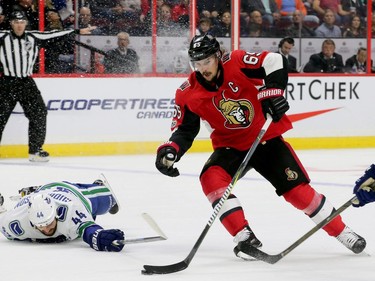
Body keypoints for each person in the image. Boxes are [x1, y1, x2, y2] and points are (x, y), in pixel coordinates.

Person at [155, 34, 366, 260]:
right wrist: (171, 150)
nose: (202, 68)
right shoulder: (187, 92)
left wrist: (273, 91)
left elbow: (274, 60)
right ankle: (243, 236)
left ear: (218, 56)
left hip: (265, 139)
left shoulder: (236, 61)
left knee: (298, 194)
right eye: (197, 64)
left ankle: (343, 232)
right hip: (230, 147)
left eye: (206, 61)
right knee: (211, 178)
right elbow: (185, 130)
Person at [0, 11, 95, 162]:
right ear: (11, 23)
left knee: (39, 113)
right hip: (6, 83)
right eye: (16, 22)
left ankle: (35, 150)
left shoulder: (34, 36)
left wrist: (77, 31)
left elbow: (55, 34)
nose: (19, 25)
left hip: (26, 82)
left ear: (25, 24)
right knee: (0, 117)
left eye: (22, 22)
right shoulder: (2, 36)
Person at [0, 178, 124, 251]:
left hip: (70, 193)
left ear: (56, 214)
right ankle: (35, 191)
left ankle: (97, 186)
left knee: (109, 200)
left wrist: (100, 236)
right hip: (39, 193)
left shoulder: (70, 210)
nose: (47, 229)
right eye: (40, 226)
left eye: (49, 222)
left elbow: (88, 230)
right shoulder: (15, 223)